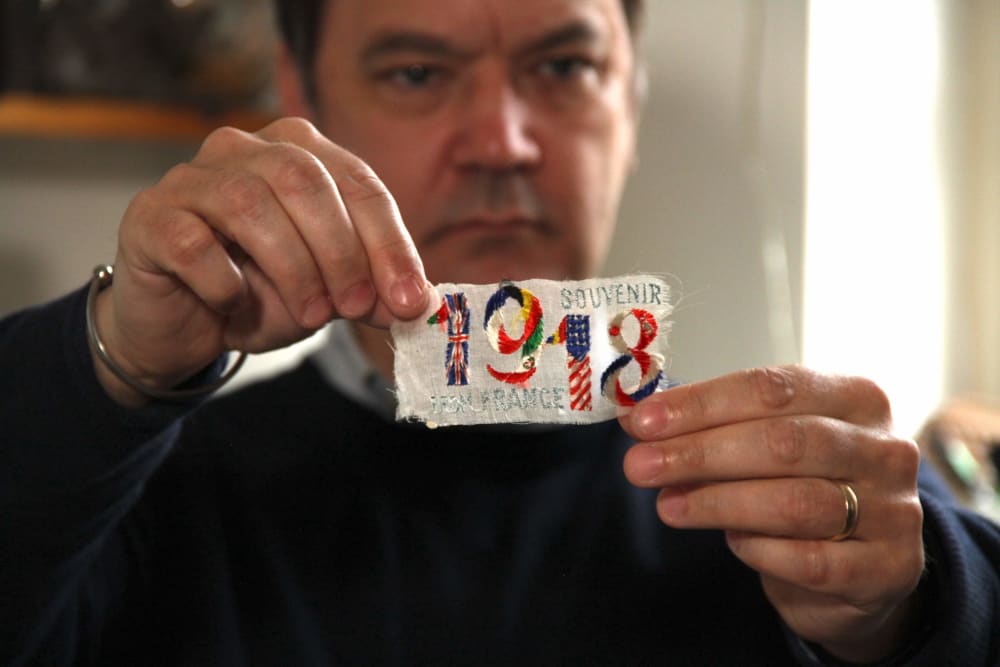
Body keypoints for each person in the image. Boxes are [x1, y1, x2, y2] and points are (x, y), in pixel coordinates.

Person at [1, 0, 997, 664]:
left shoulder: (783, 527)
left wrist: (919, 601)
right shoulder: (133, 503)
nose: (502, 142)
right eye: (414, 73)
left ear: (630, 100)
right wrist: (106, 366)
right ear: (299, 100)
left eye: (563, 65)